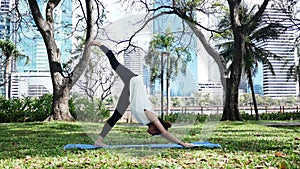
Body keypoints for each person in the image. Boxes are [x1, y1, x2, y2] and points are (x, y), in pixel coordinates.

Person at [89, 40, 193, 148]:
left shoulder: (146, 122)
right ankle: (100, 44)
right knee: (115, 64)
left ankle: (98, 141)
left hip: (131, 93)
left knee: (116, 116)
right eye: (155, 133)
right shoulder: (151, 116)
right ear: (155, 127)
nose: (153, 135)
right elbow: (165, 133)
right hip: (134, 81)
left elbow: (163, 133)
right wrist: (182, 143)